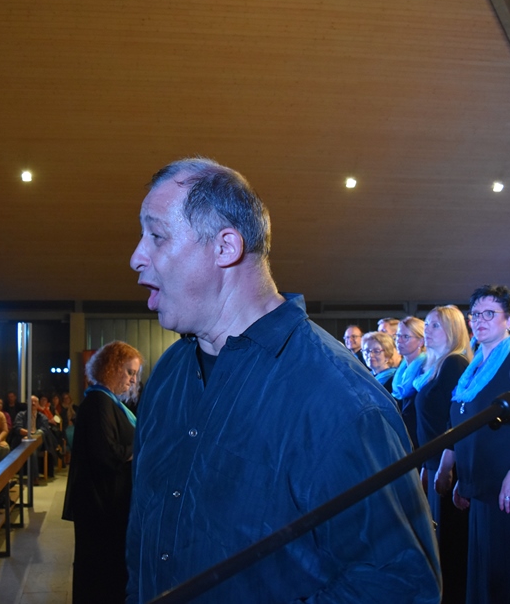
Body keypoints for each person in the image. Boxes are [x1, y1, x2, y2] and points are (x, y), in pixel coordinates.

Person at [126, 158, 439, 602]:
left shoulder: (340, 400)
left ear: (225, 247)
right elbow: (145, 538)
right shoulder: (169, 374)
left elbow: (399, 585)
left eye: (156, 236)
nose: (136, 257)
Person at [445, 284, 510, 603]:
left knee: (509, 575)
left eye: (490, 313)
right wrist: (461, 475)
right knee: (485, 574)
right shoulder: (475, 365)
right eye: (475, 314)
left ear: (509, 320)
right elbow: (464, 421)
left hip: (507, 485)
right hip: (480, 483)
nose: (480, 320)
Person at [62, 341, 143, 603]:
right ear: (112, 368)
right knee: (100, 573)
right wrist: (141, 446)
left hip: (110, 501)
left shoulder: (109, 402)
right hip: (101, 505)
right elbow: (107, 454)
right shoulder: (99, 401)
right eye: (129, 372)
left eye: (135, 374)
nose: (133, 380)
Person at [418, 305, 471, 604]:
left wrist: (444, 465)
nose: (427, 330)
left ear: (452, 330)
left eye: (435, 325)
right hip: (434, 461)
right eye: (426, 324)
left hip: (448, 464)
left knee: (451, 540)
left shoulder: (454, 363)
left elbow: (455, 420)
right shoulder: (434, 365)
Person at [391, 316, 428, 447]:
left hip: (419, 438)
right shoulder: (401, 370)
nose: (399, 340)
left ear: (421, 341)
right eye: (397, 336)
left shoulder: (425, 370)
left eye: (405, 337)